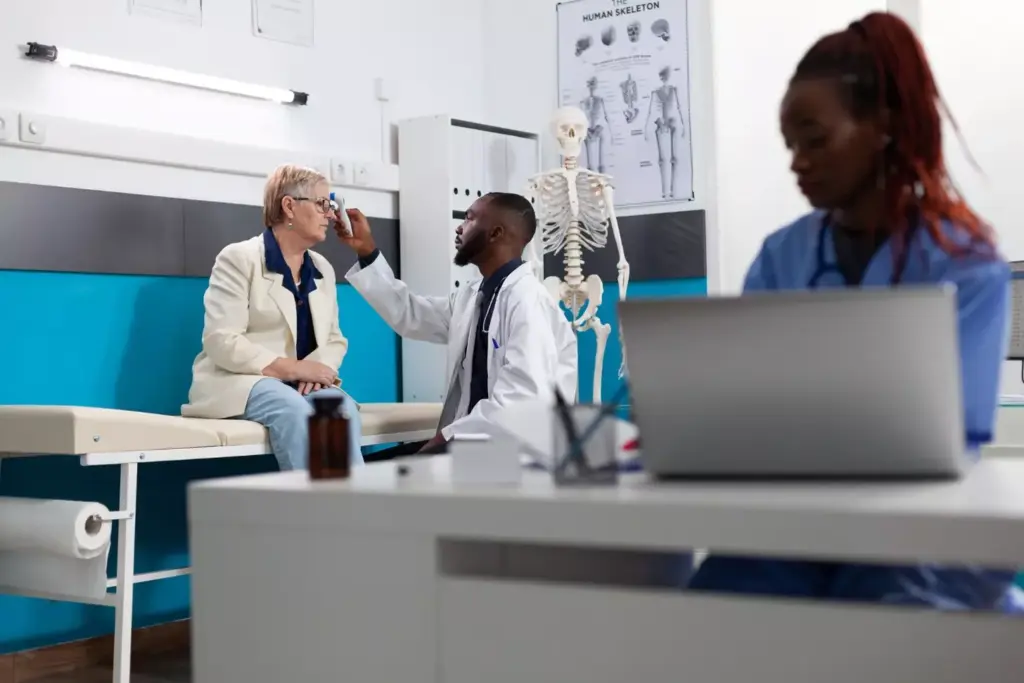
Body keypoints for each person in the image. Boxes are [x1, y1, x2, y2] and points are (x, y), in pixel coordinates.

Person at [688, 12, 1019, 611]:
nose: (797, 162)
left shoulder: (965, 263)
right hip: (797, 531)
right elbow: (746, 408)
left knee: (893, 615)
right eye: (790, 145)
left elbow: (949, 437)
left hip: (921, 537)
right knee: (714, 604)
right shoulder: (782, 255)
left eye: (815, 140)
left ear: (882, 128)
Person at [339, 192, 577, 457]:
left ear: (496, 233)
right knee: (364, 472)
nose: (460, 227)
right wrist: (367, 251)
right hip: (475, 442)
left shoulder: (528, 302)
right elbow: (411, 314)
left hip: (514, 452)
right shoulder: (474, 295)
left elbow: (523, 401)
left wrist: (443, 439)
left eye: (470, 218)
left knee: (379, 480)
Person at [182, 164, 363, 471]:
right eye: (322, 204)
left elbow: (334, 339)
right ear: (289, 206)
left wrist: (317, 373)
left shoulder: (322, 268)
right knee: (291, 408)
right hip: (242, 381)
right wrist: (294, 369)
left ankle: (352, 511)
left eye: (331, 206)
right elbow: (221, 340)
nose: (330, 215)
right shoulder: (239, 258)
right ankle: (312, 515)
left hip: (300, 385)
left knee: (341, 409)